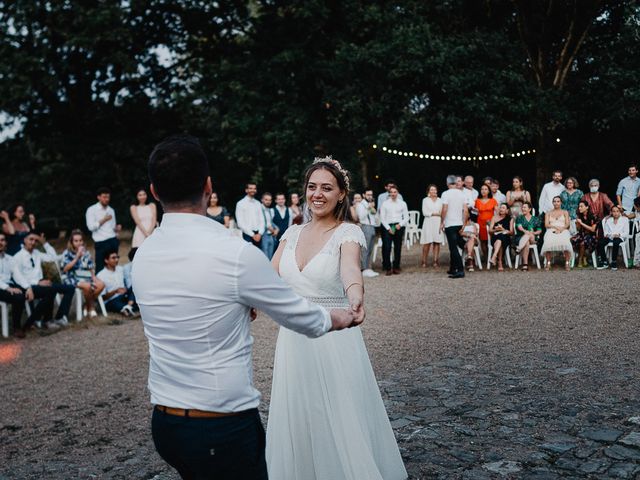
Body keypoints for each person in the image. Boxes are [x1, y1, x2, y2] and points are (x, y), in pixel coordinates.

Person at [132, 135, 358, 480]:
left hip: (165, 423)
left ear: (155, 190)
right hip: (220, 425)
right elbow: (297, 315)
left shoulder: (143, 255)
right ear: (208, 187)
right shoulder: (233, 253)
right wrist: (339, 316)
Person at [267, 156, 407, 480]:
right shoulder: (290, 232)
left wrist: (356, 297)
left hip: (335, 334)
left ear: (341, 193)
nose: (318, 194)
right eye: (312, 186)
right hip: (293, 339)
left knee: (339, 414)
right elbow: (265, 279)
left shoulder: (348, 232)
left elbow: (350, 272)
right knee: (299, 411)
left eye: (327, 188)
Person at [12, 231, 74, 329]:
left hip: (41, 283)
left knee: (70, 288)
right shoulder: (17, 257)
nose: (33, 242)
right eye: (30, 239)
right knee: (50, 289)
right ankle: (46, 320)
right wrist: (37, 282)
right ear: (24, 240)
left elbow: (53, 258)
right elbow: (18, 277)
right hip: (28, 286)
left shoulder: (37, 253)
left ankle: (60, 317)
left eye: (35, 241)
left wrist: (44, 243)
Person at [60, 229, 105, 318]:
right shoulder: (67, 253)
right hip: (72, 277)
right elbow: (65, 269)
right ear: (71, 242)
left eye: (80, 240)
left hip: (85, 277)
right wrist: (77, 257)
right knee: (87, 287)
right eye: (76, 241)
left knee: (101, 284)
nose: (79, 243)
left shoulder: (86, 253)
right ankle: (91, 307)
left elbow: (90, 266)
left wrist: (93, 277)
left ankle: (86, 305)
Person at [86, 187, 121, 273]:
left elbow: (113, 226)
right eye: (104, 197)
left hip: (113, 240)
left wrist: (117, 229)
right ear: (98, 197)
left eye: (108, 197)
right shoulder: (91, 210)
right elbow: (90, 227)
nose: (107, 199)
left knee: (113, 267)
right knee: (100, 268)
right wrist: (103, 220)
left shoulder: (111, 210)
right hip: (101, 242)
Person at [0, 232, 28, 338]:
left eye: (2, 240)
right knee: (18, 296)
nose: (0, 242)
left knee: (23, 293)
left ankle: (22, 325)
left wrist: (28, 287)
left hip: (8, 285)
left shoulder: (10, 258)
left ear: (6, 243)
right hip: (1, 287)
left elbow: (18, 276)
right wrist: (8, 288)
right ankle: (17, 327)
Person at [441, 175, 469, 278]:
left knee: (453, 248)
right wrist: (464, 223)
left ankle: (460, 270)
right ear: (455, 183)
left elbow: (444, 209)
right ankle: (453, 268)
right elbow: (466, 210)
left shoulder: (445, 194)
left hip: (450, 224)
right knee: (455, 245)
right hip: (459, 223)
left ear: (447, 183)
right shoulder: (462, 194)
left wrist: (442, 221)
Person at [98, 250, 137, 316]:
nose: (116, 260)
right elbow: (102, 297)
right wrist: (115, 291)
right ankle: (129, 308)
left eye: (117, 257)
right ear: (106, 260)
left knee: (134, 286)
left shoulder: (121, 269)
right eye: (113, 258)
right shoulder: (101, 275)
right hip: (112, 300)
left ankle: (128, 307)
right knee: (115, 304)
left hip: (125, 296)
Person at [380, 185, 409, 275]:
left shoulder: (402, 203)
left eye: (395, 192)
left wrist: (400, 225)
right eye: (391, 192)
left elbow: (406, 217)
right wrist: (388, 228)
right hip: (387, 226)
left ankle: (396, 266)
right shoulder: (385, 203)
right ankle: (388, 267)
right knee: (387, 247)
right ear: (389, 193)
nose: (393, 194)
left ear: (397, 193)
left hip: (398, 226)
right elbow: (382, 218)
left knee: (397, 247)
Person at [541, 196, 573, 271]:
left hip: (563, 229)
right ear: (552, 203)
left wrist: (561, 229)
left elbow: (567, 225)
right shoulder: (548, 213)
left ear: (561, 202)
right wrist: (556, 227)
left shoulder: (565, 212)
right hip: (551, 229)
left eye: (558, 201)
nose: (556, 203)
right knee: (548, 239)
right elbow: (546, 225)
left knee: (565, 240)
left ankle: (567, 262)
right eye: (554, 201)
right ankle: (548, 262)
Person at [596, 205, 630, 270]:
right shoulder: (609, 220)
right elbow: (606, 232)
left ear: (620, 212)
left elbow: (626, 232)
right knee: (601, 242)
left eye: (617, 211)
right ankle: (604, 261)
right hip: (610, 237)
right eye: (614, 211)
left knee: (616, 241)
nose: (615, 213)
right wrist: (610, 235)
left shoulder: (624, 220)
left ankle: (614, 261)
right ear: (611, 212)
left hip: (620, 237)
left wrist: (619, 235)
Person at [356, 189, 379, 277]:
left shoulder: (371, 204)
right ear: (364, 195)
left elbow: (374, 216)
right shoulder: (360, 205)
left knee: (370, 248)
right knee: (365, 249)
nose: (370, 196)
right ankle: (364, 269)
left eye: (371, 195)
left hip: (372, 227)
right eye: (368, 194)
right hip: (365, 226)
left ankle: (369, 268)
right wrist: (369, 207)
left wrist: (373, 209)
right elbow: (361, 216)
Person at [420, 184, 444, 268]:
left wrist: (441, 222)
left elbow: (442, 212)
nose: (433, 191)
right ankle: (423, 261)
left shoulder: (440, 200)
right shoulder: (425, 200)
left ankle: (435, 261)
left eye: (435, 189)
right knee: (427, 242)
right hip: (428, 222)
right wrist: (435, 213)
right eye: (431, 190)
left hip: (438, 222)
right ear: (428, 191)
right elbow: (424, 212)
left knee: (436, 242)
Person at [235, 182, 266, 248]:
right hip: (247, 234)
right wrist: (252, 235)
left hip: (258, 234)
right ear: (246, 190)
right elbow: (240, 223)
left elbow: (262, 220)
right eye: (250, 188)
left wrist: (260, 233)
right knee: (248, 256)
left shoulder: (258, 203)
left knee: (258, 255)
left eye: (254, 188)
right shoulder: (240, 203)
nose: (253, 190)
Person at [514, 202, 541, 271]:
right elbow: (519, 227)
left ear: (529, 209)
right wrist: (525, 231)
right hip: (520, 237)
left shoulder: (535, 219)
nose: (523, 209)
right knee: (526, 242)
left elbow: (539, 230)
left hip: (533, 238)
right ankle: (525, 265)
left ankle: (518, 249)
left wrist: (533, 232)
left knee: (529, 235)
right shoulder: (519, 217)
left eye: (525, 207)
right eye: (522, 207)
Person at [571, 200, 597, 268]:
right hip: (581, 234)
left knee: (583, 243)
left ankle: (580, 259)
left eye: (581, 206)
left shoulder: (593, 216)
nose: (579, 208)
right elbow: (578, 229)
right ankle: (584, 257)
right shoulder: (579, 216)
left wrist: (581, 223)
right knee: (572, 240)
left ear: (587, 207)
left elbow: (592, 229)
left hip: (591, 235)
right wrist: (577, 224)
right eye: (579, 206)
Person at [488, 203, 513, 271]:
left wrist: (503, 229)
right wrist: (496, 229)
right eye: (500, 207)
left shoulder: (510, 219)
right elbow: (490, 230)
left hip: (506, 238)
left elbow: (511, 232)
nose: (501, 209)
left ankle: (494, 257)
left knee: (501, 238)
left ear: (507, 210)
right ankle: (499, 261)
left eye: (503, 208)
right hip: (495, 237)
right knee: (499, 239)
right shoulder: (494, 217)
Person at [475, 184, 498, 258]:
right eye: (482, 189)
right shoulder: (477, 201)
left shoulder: (493, 200)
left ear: (488, 191)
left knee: (491, 239)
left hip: (490, 222)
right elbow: (473, 211)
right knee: (483, 240)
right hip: (480, 222)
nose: (483, 191)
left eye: (485, 189)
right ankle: (486, 256)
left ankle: (493, 256)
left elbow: (497, 212)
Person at [260, 192, 278, 259]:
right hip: (263, 235)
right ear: (262, 200)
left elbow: (270, 222)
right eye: (266, 199)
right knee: (265, 256)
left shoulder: (270, 210)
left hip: (271, 236)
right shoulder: (259, 209)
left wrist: (276, 228)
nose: (268, 201)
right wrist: (270, 228)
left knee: (271, 256)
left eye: (270, 200)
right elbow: (259, 222)